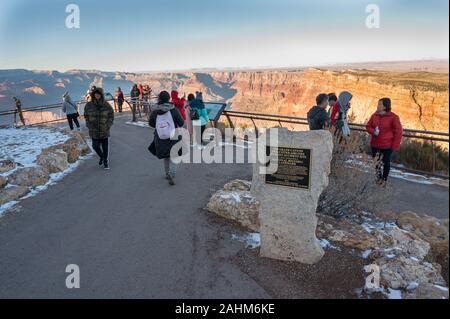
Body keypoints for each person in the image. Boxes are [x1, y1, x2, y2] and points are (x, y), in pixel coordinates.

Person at [148, 91, 184, 186]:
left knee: (166, 155)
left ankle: (167, 173)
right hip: (174, 135)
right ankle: (172, 174)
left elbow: (150, 123)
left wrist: (161, 128)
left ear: (159, 99)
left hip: (160, 136)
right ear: (169, 99)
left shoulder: (155, 111)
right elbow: (181, 123)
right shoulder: (173, 109)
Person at [366, 98, 403, 185]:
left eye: (379, 104)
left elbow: (398, 132)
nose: (377, 106)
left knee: (386, 163)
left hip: (387, 146)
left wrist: (394, 146)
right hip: (375, 144)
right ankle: (378, 178)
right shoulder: (374, 115)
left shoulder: (393, 117)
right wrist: (373, 131)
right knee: (376, 162)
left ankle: (384, 180)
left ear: (385, 106)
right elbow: (368, 126)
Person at [84, 88, 114, 170]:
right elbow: (86, 115)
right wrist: (88, 124)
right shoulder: (88, 105)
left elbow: (111, 115)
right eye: (95, 94)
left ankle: (106, 162)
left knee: (105, 148)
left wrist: (108, 125)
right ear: (93, 95)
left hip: (104, 130)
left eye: (99, 94)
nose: (97, 95)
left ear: (101, 95)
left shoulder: (106, 105)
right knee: (95, 146)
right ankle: (102, 157)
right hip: (94, 130)